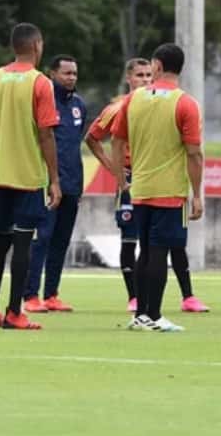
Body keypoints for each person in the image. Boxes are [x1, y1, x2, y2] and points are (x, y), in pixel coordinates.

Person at [111, 43, 204, 333]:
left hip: (140, 188)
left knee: (145, 250)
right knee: (159, 253)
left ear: (158, 66)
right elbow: (193, 153)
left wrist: (119, 178)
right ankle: (154, 315)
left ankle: (140, 313)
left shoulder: (133, 99)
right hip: (170, 191)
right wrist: (197, 193)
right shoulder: (185, 103)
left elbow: (115, 140)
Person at [0, 23, 61, 330]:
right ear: (37, 45)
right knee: (24, 243)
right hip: (27, 176)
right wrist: (54, 179)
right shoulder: (39, 83)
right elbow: (46, 134)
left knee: (0, 242)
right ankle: (15, 311)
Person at [86, 58, 152, 312]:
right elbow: (92, 138)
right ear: (129, 79)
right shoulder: (117, 108)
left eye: (149, 75)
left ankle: (150, 295)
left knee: (152, 239)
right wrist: (113, 168)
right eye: (140, 76)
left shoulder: (160, 105)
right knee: (129, 238)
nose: (145, 80)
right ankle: (132, 296)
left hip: (153, 177)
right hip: (129, 180)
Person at [23, 55, 86, 313]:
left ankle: (52, 294)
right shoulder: (41, 102)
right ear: (51, 74)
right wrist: (50, 180)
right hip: (48, 184)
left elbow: (74, 144)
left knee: (61, 240)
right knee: (42, 239)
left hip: (72, 184)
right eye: (66, 73)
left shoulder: (79, 106)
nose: (71, 78)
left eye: (74, 73)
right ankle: (30, 296)